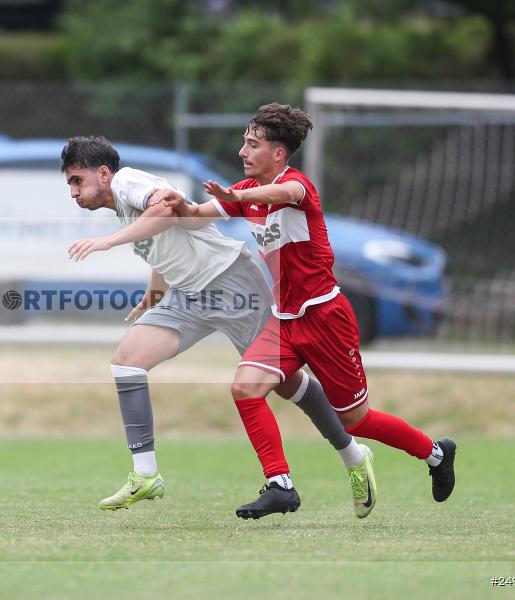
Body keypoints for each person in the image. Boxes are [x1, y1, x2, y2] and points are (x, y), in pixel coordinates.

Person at [153, 103, 457, 515]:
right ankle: (281, 484)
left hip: (326, 319)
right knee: (245, 389)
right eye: (244, 142)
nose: (243, 151)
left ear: (278, 153)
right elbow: (194, 218)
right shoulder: (244, 193)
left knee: (356, 421)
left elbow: (286, 193)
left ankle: (435, 453)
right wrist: (178, 204)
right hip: (285, 322)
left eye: (252, 144)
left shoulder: (297, 187)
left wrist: (237, 194)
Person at [61, 136, 377, 518]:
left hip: (231, 283)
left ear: (104, 173)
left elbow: (166, 210)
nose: (74, 192)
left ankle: (354, 456)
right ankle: (145, 475)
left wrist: (107, 242)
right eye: (70, 185)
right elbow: (163, 240)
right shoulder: (124, 205)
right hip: (188, 296)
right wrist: (154, 292)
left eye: (77, 180)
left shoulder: (127, 179)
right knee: (127, 362)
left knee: (287, 384)